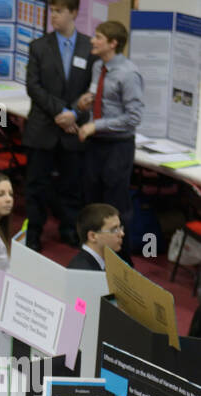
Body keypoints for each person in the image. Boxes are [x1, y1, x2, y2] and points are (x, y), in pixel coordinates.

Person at [23, 0, 92, 250]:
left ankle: (69, 228)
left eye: (59, 11)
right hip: (43, 128)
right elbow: (33, 86)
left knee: (71, 186)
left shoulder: (89, 47)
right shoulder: (38, 47)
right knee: (36, 186)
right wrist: (61, 112)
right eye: (52, 10)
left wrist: (73, 114)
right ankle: (34, 232)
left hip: (73, 130)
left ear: (74, 12)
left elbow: (91, 91)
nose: (53, 15)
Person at [76, 21, 143, 235]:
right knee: (92, 200)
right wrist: (84, 103)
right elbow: (99, 100)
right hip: (96, 143)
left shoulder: (129, 74)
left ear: (113, 43)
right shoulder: (98, 67)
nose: (92, 40)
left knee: (116, 206)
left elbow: (134, 117)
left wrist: (96, 125)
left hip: (118, 146)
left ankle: (120, 259)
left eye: (98, 37)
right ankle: (94, 253)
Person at [66, 202, 126, 271]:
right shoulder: (83, 271)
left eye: (120, 228)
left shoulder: (108, 262)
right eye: (114, 230)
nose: (122, 233)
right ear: (93, 236)